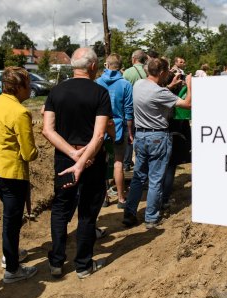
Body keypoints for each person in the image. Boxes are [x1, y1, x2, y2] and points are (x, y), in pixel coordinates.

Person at [42, 47, 112, 279]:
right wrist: (82, 157)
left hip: (64, 159)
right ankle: (83, 265)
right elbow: (100, 135)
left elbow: (47, 130)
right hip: (91, 160)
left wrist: (72, 154)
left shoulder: (56, 92)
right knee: (87, 213)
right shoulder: (100, 93)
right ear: (92, 66)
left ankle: (56, 262)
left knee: (61, 210)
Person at [0, 66, 39, 284]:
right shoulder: (20, 113)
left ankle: (11, 252)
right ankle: (12, 268)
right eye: (28, 85)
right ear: (19, 87)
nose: (31, 89)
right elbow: (29, 153)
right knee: (11, 220)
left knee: (11, 217)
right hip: (10, 173)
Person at [122, 58, 192, 229]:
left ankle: (130, 213)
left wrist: (170, 86)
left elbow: (156, 95)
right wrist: (190, 85)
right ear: (161, 72)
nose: (169, 74)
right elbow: (187, 104)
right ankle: (151, 217)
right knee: (155, 179)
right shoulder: (160, 93)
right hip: (158, 137)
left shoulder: (138, 84)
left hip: (141, 136)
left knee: (139, 176)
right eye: (167, 71)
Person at [96, 53, 134, 209]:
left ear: (106, 65)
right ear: (120, 66)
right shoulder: (125, 84)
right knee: (118, 162)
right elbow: (129, 112)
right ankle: (121, 198)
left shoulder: (97, 83)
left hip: (101, 127)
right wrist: (130, 132)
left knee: (101, 163)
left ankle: (104, 198)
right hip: (119, 127)